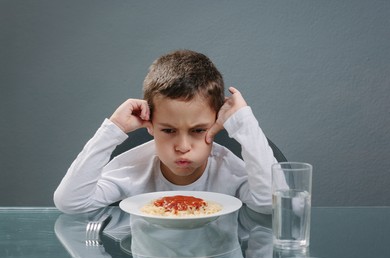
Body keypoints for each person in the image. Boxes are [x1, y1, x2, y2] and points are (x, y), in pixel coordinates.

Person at [53, 49, 277, 214]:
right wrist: (113, 130)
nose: (182, 147)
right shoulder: (133, 169)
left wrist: (244, 122)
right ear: (149, 123)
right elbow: (71, 203)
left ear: (217, 122)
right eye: (169, 130)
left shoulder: (229, 171)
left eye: (198, 130)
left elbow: (273, 205)